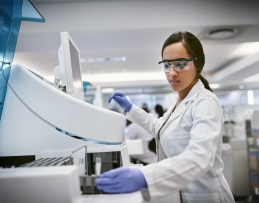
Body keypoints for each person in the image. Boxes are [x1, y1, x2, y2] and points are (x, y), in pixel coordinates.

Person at [96, 31, 234, 203]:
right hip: (181, 194)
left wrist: (145, 177)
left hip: (204, 196)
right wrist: (131, 108)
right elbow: (158, 128)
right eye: (167, 65)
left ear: (198, 65)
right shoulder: (178, 103)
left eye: (181, 64)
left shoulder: (206, 102)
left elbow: (200, 157)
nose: (172, 73)